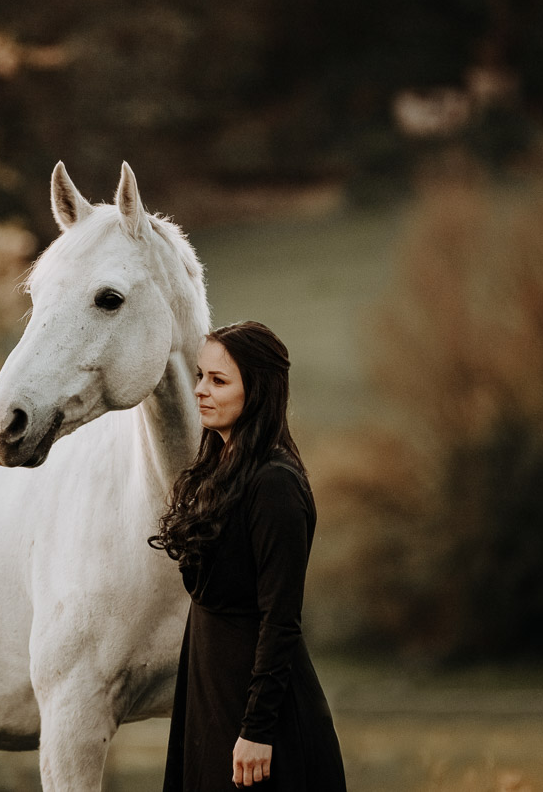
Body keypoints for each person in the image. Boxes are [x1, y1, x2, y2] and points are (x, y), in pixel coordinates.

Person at [151, 321, 346, 791]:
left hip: (261, 719)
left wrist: (257, 729)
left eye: (218, 381)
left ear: (257, 391)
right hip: (209, 693)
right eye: (200, 376)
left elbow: (280, 618)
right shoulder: (217, 471)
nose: (200, 390)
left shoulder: (274, 483)